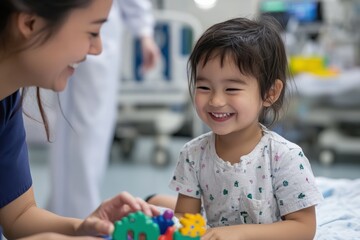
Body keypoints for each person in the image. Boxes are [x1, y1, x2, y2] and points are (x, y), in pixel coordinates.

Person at [0, 1, 159, 239]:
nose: (98, 49)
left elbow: (18, 215)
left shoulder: (7, 102)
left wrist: (81, 227)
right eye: (93, 32)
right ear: (30, 23)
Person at [168, 16, 324, 240]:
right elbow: (185, 216)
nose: (216, 100)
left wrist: (238, 233)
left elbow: (303, 228)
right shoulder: (193, 154)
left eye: (231, 89)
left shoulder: (285, 157)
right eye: (204, 86)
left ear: (269, 93)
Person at [47, 0, 160, 219]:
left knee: (88, 128)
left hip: (89, 24)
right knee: (65, 127)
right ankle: (61, 210)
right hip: (59, 21)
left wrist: (144, 32)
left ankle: (79, 212)